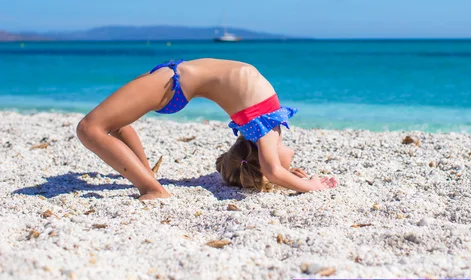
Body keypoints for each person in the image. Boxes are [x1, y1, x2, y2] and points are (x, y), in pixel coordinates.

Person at [77, 58, 338, 200]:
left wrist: (312, 186)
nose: (288, 163)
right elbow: (273, 170)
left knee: (89, 129)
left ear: (259, 156)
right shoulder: (259, 127)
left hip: (173, 82)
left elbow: (272, 170)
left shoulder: (265, 127)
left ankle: (152, 189)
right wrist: (292, 176)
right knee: (115, 124)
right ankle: (146, 175)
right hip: (172, 77)